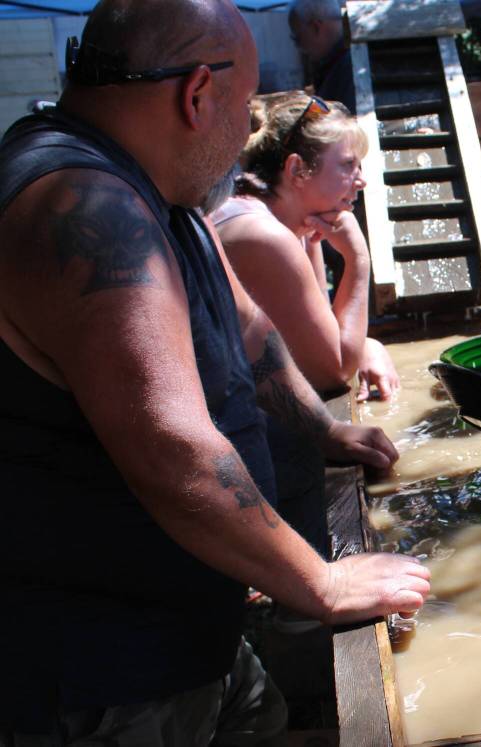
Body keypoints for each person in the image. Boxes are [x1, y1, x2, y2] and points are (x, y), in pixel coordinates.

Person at [0, 0, 429, 740]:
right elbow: (172, 448)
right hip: (104, 677)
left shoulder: (158, 190)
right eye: (246, 105)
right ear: (197, 94)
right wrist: (322, 581)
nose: (247, 134)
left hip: (192, 632)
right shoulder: (84, 203)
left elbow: (250, 332)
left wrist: (322, 429)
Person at [212, 92, 398, 565]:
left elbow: (320, 333)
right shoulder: (263, 236)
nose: (360, 179)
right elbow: (332, 369)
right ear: (297, 170)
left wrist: (366, 340)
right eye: (348, 165)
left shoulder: (275, 220)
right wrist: (357, 259)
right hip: (236, 465)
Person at [289, 0, 355, 115]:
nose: (299, 48)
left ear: (316, 27)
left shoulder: (348, 67)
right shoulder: (340, 63)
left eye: (298, 39)